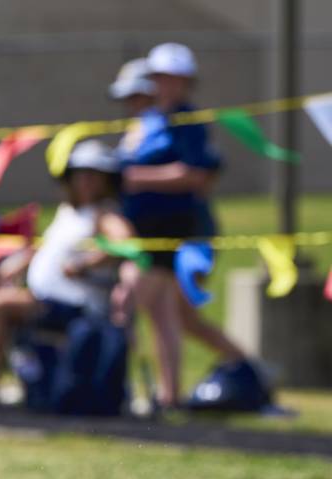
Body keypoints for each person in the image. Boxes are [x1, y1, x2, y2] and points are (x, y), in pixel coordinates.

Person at [122, 43, 246, 407]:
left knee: (152, 308)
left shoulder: (189, 122)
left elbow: (196, 176)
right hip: (144, 230)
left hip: (180, 231)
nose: (167, 85)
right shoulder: (148, 119)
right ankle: (172, 392)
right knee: (172, 315)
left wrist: (136, 177)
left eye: (174, 79)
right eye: (161, 77)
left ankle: (141, 390)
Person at [0, 141, 136, 395]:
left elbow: (126, 245)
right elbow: (46, 247)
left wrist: (84, 263)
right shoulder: (68, 211)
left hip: (75, 306)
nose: (86, 180)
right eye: (80, 174)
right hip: (44, 299)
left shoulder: (105, 215)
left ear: (107, 180)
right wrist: (17, 264)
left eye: (94, 174)